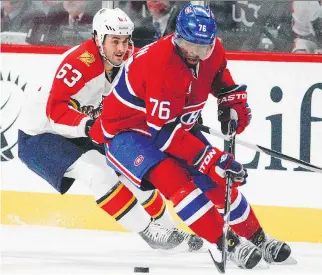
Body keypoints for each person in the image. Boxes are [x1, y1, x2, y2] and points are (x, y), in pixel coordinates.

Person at [92, 4, 292, 269]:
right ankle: (226, 243)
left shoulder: (214, 51)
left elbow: (219, 75)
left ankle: (258, 238)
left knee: (217, 180)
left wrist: (229, 98)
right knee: (175, 179)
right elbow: (163, 134)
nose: (195, 54)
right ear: (176, 38)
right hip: (128, 131)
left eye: (203, 48)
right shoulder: (162, 65)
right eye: (189, 46)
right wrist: (211, 158)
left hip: (173, 124)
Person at [18, 7, 203, 253]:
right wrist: (91, 125)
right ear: (98, 38)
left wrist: (181, 108)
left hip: (84, 127)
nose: (121, 48)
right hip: (41, 133)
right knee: (98, 173)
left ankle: (167, 229)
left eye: (125, 41)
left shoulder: (127, 57)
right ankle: (149, 231)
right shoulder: (79, 64)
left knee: (132, 170)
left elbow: (158, 76)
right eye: (114, 41)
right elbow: (56, 111)